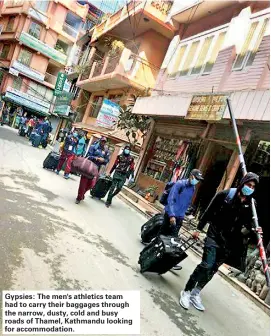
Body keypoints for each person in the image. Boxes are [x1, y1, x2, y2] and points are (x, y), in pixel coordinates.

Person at [179, 172, 260, 312]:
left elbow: (248, 225)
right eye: (248, 184)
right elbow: (208, 212)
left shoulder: (251, 204)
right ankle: (186, 291)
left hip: (229, 243)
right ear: (242, 183)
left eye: (253, 186)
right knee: (206, 265)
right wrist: (198, 229)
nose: (250, 188)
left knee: (213, 269)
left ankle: (196, 293)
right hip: (214, 235)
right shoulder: (225, 195)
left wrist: (256, 230)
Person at [161, 169, 204, 270]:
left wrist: (184, 214)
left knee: (173, 238)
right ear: (191, 176)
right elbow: (171, 199)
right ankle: (157, 254)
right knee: (164, 235)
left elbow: (186, 202)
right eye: (196, 178)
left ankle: (169, 261)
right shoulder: (180, 184)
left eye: (199, 180)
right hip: (170, 214)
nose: (197, 181)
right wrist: (171, 215)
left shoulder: (193, 188)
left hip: (179, 217)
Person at [76, 137, 110, 204]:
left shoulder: (106, 151)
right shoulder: (93, 147)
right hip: (88, 167)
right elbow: (88, 156)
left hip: (96, 169)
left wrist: (103, 160)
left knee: (91, 184)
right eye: (102, 141)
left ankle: (82, 194)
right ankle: (79, 198)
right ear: (100, 141)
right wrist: (96, 158)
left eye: (104, 142)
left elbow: (107, 160)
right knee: (83, 183)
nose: (103, 143)